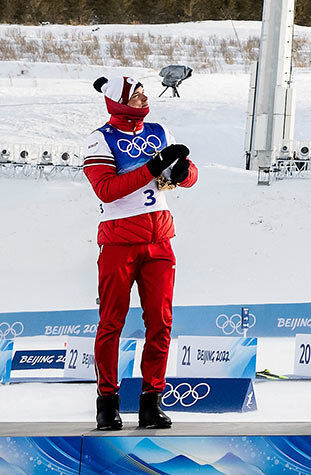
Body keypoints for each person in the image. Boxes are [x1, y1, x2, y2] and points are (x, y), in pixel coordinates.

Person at [84, 76, 198, 430]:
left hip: (160, 240)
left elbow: (186, 174)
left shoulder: (161, 130)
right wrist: (150, 167)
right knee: (111, 323)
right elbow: (106, 189)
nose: (144, 96)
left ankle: (151, 401)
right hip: (119, 243)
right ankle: (107, 403)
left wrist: (183, 172)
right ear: (118, 101)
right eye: (136, 93)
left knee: (161, 322)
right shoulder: (99, 139)